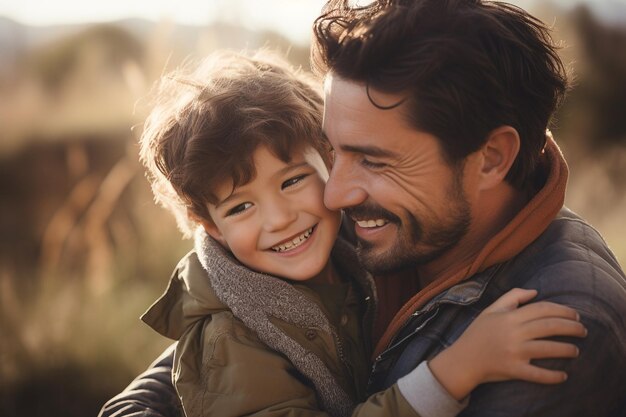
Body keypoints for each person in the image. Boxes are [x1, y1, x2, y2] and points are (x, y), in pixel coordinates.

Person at [100, 0, 626, 416]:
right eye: (335, 153)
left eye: (373, 161)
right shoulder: (377, 236)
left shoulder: (566, 324)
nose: (335, 195)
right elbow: (221, 348)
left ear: (491, 158)